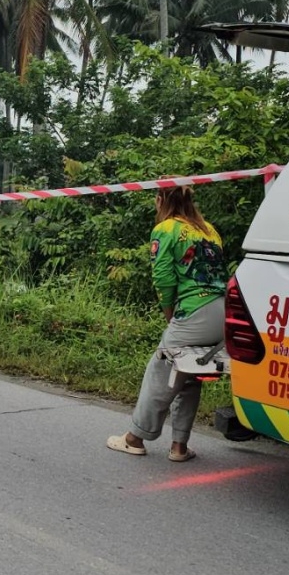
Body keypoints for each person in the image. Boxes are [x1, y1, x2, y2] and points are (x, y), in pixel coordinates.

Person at [107, 184, 229, 462]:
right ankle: (179, 447)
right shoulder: (210, 229)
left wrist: (170, 314)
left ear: (161, 199)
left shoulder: (166, 229)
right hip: (222, 312)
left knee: (160, 370)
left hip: (194, 310)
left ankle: (135, 438)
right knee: (187, 373)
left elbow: (163, 279)